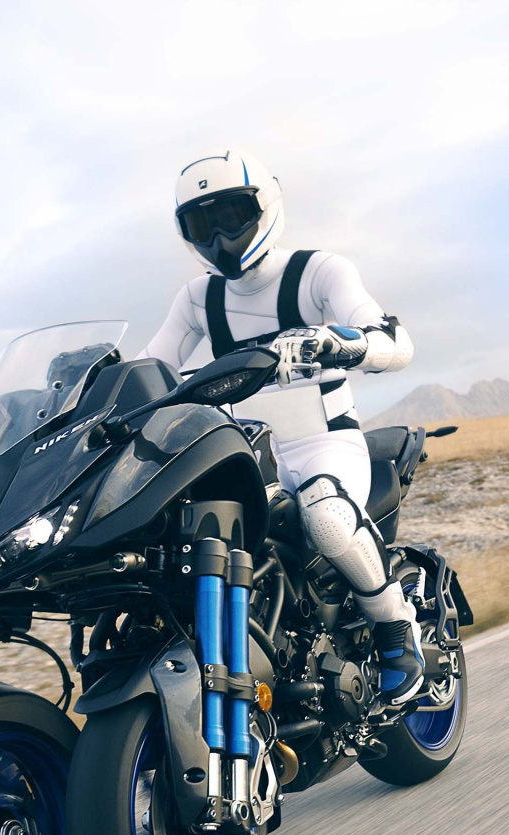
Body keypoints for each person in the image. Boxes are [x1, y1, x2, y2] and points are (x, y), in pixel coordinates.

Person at [138, 149, 424, 705]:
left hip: (325, 446)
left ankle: (396, 629)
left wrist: (340, 342)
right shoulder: (198, 298)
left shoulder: (320, 272)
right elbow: (154, 368)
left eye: (231, 216)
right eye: (202, 223)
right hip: (245, 458)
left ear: (265, 206)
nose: (219, 237)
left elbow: (396, 340)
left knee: (327, 511)